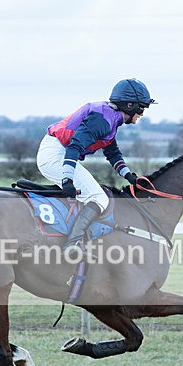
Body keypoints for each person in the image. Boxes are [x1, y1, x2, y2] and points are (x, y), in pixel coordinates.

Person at [36, 78, 156, 252]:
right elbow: (74, 147)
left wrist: (130, 176)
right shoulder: (102, 120)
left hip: (60, 151)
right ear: (130, 105)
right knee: (98, 198)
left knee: (94, 194)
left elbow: (113, 153)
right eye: (141, 108)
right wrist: (67, 180)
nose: (142, 113)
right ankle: (73, 244)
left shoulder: (111, 118)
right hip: (56, 154)